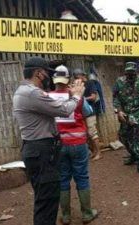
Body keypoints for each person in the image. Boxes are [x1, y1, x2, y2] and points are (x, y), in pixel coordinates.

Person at [12, 57, 85, 225]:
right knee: (47, 202)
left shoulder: (24, 91)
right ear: (39, 73)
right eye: (47, 74)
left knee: (45, 200)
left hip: (37, 151)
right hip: (41, 152)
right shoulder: (32, 93)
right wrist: (76, 96)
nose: (50, 78)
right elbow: (64, 110)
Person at [49, 65, 98, 224]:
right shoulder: (77, 96)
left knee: (63, 179)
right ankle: (87, 214)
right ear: (68, 80)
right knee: (82, 177)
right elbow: (88, 112)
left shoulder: (48, 97)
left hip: (60, 144)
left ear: (54, 80)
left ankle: (66, 216)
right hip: (78, 143)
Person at [113, 62, 139, 175]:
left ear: (136, 72)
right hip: (125, 114)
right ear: (125, 72)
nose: (130, 75)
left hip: (138, 113)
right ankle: (133, 155)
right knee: (123, 136)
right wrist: (119, 111)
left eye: (132, 73)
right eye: (128, 73)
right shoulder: (119, 82)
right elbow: (116, 98)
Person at [73, 68, 102, 161]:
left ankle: (99, 153)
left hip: (91, 112)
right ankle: (94, 151)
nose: (76, 79)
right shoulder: (79, 86)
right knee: (88, 134)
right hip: (83, 112)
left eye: (77, 76)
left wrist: (82, 98)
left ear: (82, 75)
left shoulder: (90, 83)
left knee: (92, 133)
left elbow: (93, 97)